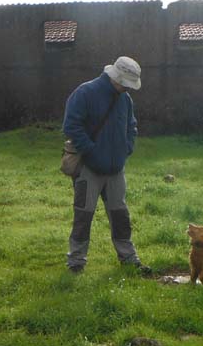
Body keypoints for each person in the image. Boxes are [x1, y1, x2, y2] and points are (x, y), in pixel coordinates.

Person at [62, 55, 150, 274]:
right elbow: (71, 126)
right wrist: (91, 151)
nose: (128, 89)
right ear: (116, 77)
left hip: (116, 170)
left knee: (120, 216)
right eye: (126, 84)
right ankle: (76, 261)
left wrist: (126, 148)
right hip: (88, 169)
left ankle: (128, 258)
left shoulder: (125, 99)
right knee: (83, 216)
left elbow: (131, 127)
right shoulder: (85, 93)